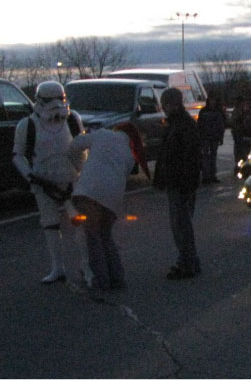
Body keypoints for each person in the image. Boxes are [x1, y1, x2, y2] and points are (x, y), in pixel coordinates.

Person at [12, 81, 87, 284]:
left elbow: (81, 146)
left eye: (59, 99)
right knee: (51, 226)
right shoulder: (27, 125)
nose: (56, 105)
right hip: (43, 183)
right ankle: (57, 268)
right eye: (50, 100)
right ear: (40, 101)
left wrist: (82, 171)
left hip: (72, 181)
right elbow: (18, 155)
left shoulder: (72, 119)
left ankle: (86, 268)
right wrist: (31, 177)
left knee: (79, 226)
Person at [68, 123, 150, 290]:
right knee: (106, 236)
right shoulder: (129, 155)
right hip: (113, 200)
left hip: (89, 193)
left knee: (93, 238)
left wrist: (79, 165)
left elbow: (75, 144)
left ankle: (101, 280)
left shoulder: (103, 134)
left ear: (118, 130)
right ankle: (117, 278)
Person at [153, 88, 202, 280]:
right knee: (181, 224)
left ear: (174, 104)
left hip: (181, 182)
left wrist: (187, 181)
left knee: (181, 225)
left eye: (166, 104)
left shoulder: (184, 125)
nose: (164, 108)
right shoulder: (175, 124)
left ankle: (187, 262)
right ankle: (190, 260)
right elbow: (165, 155)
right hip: (177, 180)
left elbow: (190, 156)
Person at [197, 94, 225, 184]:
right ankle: (206, 176)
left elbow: (221, 125)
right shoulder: (205, 111)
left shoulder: (217, 111)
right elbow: (199, 125)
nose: (213, 102)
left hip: (214, 137)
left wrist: (221, 137)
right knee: (206, 157)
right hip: (206, 137)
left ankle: (212, 175)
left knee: (212, 157)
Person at [230, 95, 245, 174]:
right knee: (240, 151)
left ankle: (239, 166)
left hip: (239, 132)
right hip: (238, 132)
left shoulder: (238, 110)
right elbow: (234, 121)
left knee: (239, 151)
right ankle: (239, 167)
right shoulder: (238, 110)